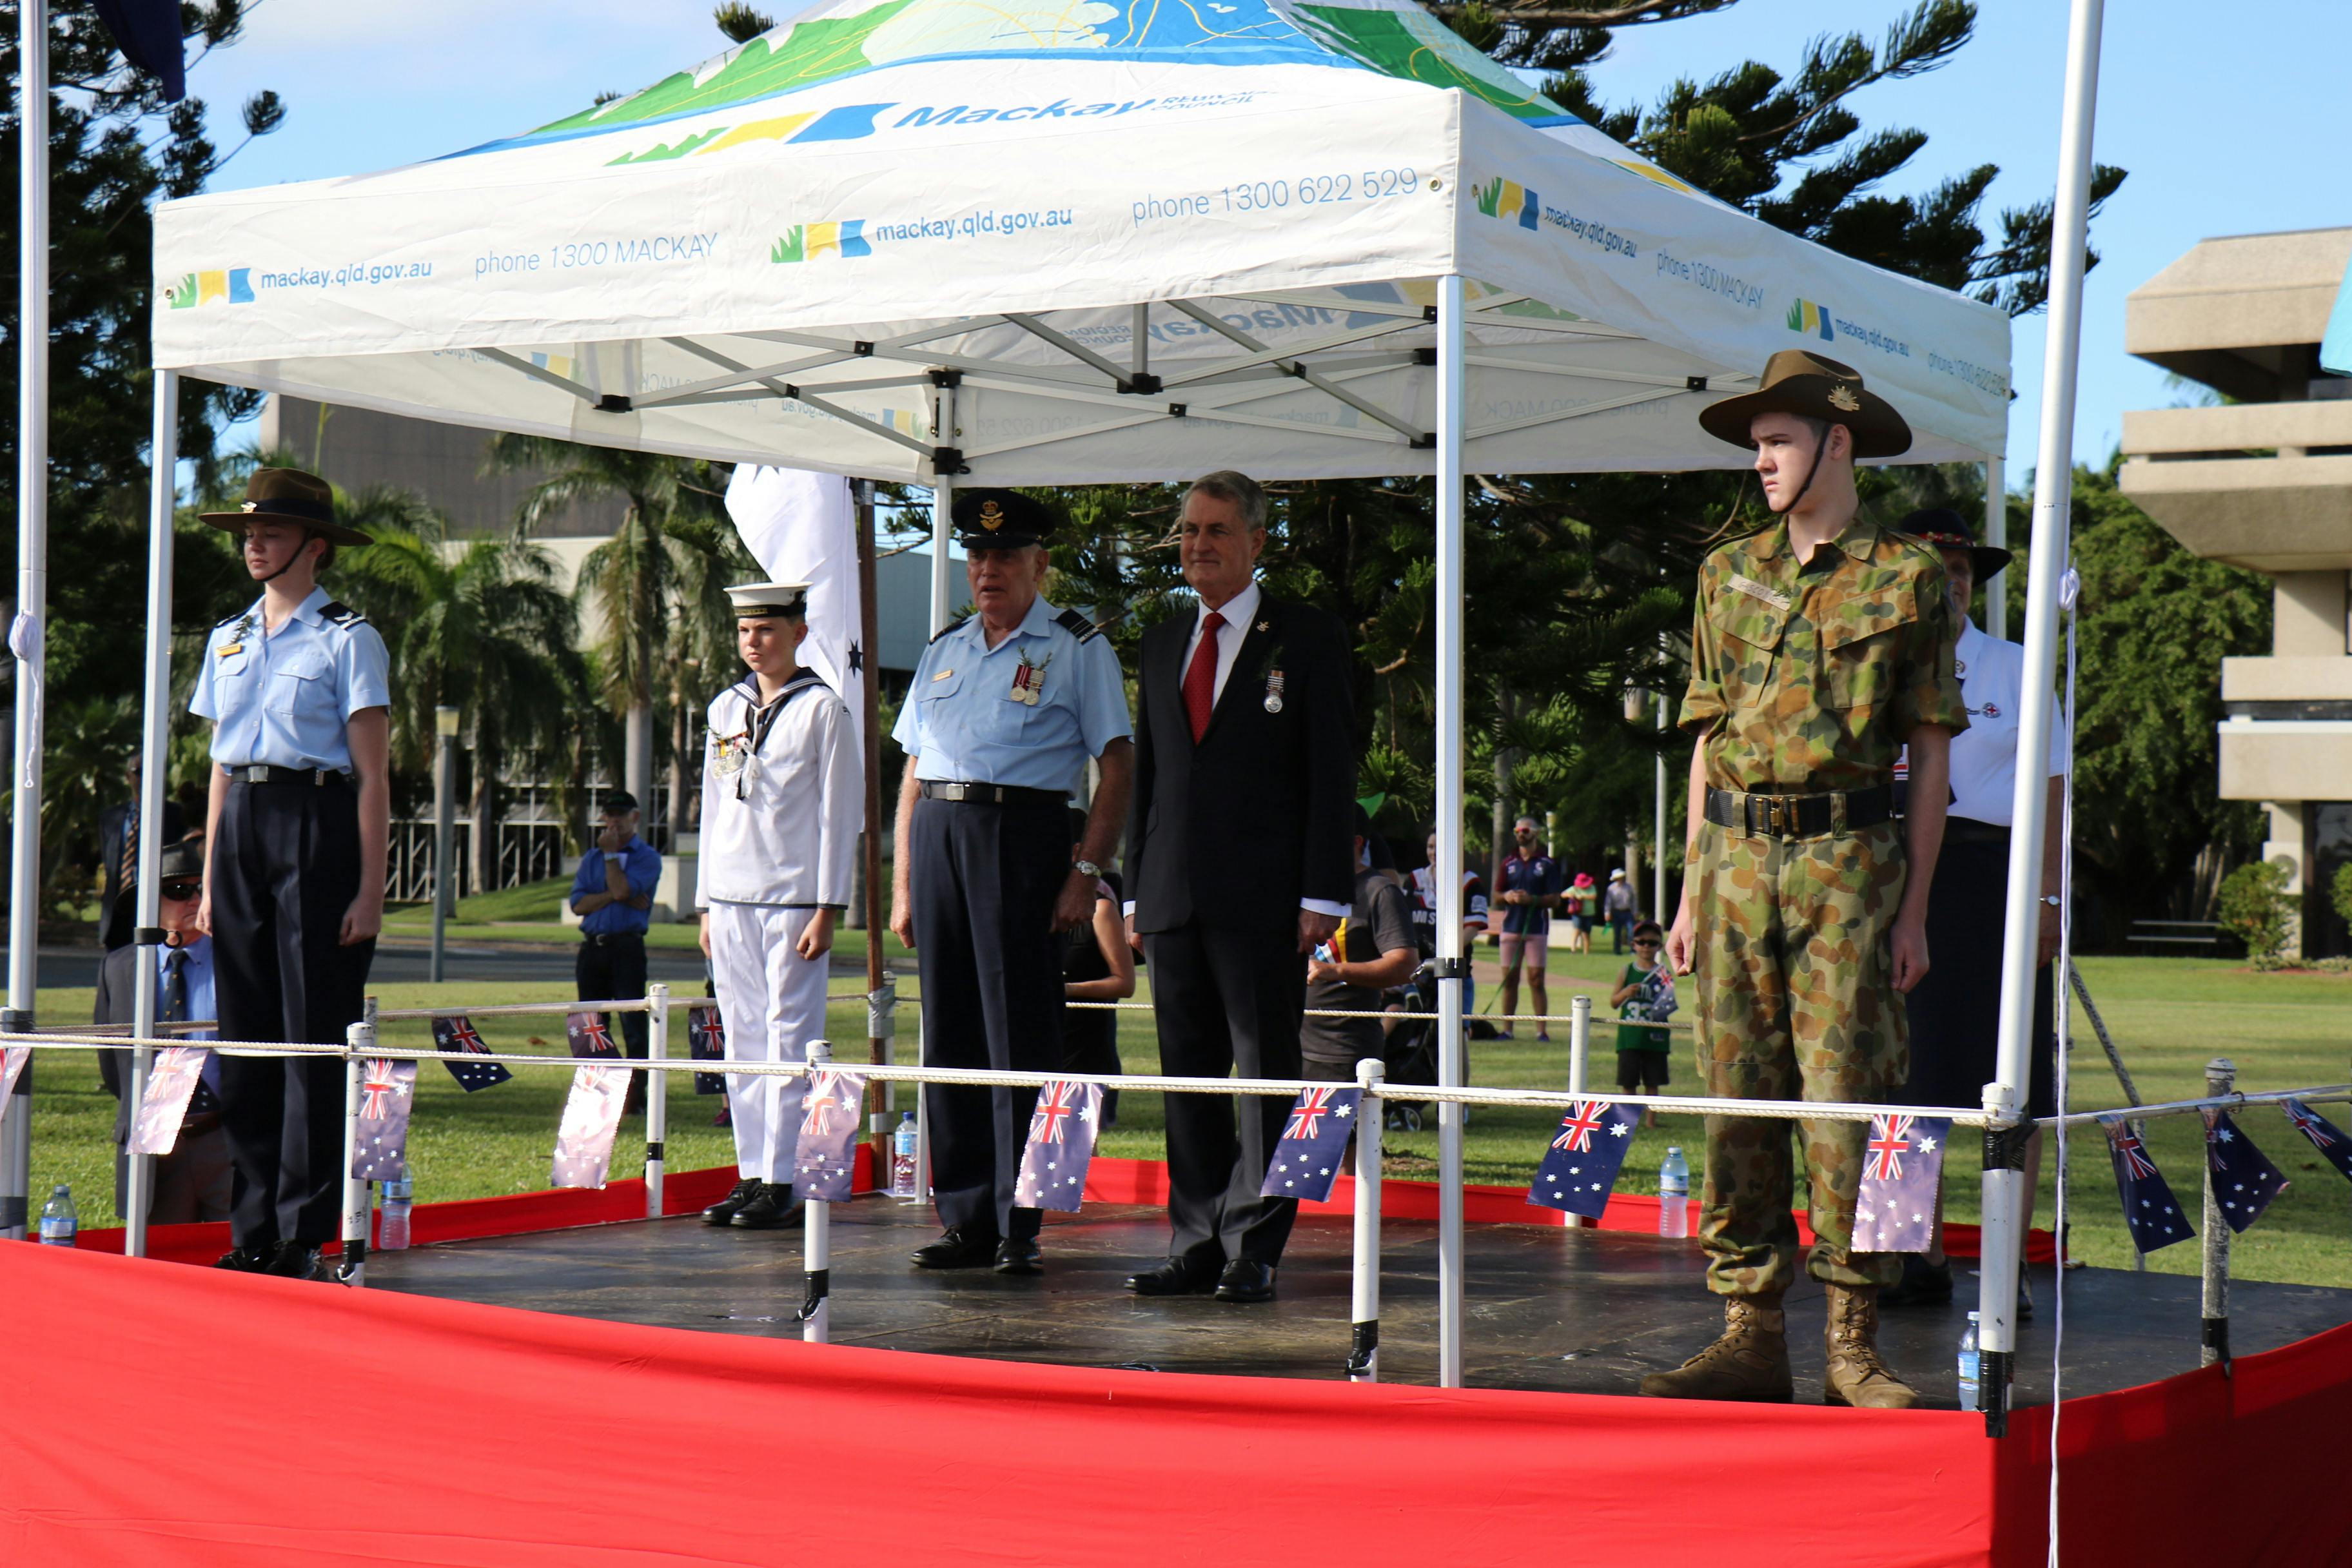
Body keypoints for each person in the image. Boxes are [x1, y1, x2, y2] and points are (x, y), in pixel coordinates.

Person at [1644, 351, 1966, 1410]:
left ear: (1838, 440)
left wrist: (1913, 906)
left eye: (1777, 442)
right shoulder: (1722, 574)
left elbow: (1927, 755)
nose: (1761, 463)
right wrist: (1688, 892)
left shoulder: (1908, 577)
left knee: (1846, 1102)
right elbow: (1703, 742)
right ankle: (1746, 1331)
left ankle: (1851, 1341)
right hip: (1733, 860)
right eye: (1755, 446)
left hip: (1848, 865)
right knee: (1734, 1100)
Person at [1122, 470, 1356, 1306]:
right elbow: (1151, 778)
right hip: (1173, 896)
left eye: (1216, 530)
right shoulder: (1161, 642)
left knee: (1264, 1077)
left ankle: (1255, 1244)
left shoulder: (1307, 638)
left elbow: (1332, 773)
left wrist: (1324, 894)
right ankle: (1194, 1239)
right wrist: (1135, 891)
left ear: (1257, 541)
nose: (1198, 545)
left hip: (1266, 898)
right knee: (1187, 1078)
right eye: (1188, 531)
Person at [890, 489, 1132, 1277]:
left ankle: (1019, 1219)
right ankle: (964, 1214)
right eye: (978, 556)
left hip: (1023, 838)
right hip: (940, 838)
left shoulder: (1074, 645)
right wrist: (901, 883)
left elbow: (1118, 765)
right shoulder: (944, 647)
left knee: (1018, 1031)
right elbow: (914, 773)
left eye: (1005, 556)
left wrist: (1085, 870)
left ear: (1039, 564)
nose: (988, 570)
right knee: (950, 1029)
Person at [190, 467, 389, 1280]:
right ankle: (254, 1225)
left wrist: (372, 887)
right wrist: (206, 879)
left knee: (310, 1035)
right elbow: (220, 770)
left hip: (318, 823)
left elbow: (375, 775)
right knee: (246, 1038)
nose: (252, 542)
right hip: (241, 828)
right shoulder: (228, 637)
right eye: (247, 531)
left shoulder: (349, 637)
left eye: (269, 532)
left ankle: (305, 1227)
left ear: (314, 547)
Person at [1879, 508, 2069, 1315]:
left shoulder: (2019, 668)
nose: (1952, 581)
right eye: (1936, 566)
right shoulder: (1875, 665)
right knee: (1901, 1069)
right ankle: (1901, 1249)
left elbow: (2054, 791)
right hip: (1887, 876)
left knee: (2008, 1075)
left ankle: (2005, 1262)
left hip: (1996, 879)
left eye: (1962, 570)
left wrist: (2051, 899)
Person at [694, 582, 861, 1232]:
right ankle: (751, 1173)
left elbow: (838, 813)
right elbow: (713, 809)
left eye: (766, 629)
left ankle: (784, 1176)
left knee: (790, 1036)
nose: (754, 642)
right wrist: (705, 902)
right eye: (744, 631)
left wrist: (829, 905)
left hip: (793, 898)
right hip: (732, 896)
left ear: (797, 630)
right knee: (742, 1039)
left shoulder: (823, 709)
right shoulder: (724, 708)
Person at [94, 835, 231, 1223]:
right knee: (161, 1261)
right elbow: (111, 1063)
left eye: (200, 889)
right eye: (177, 891)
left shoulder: (238, 961)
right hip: (153, 1144)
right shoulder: (119, 967)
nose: (193, 900)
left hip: (226, 1139)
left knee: (238, 1263)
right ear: (147, 905)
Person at [1301, 808, 1418, 1083]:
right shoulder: (1305, 887)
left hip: (1342, 1052)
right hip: (1295, 1047)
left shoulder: (1379, 891)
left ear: (1356, 843)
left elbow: (1406, 965)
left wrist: (1336, 971)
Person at [568, 791, 662, 1113]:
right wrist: (615, 895)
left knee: (633, 1027)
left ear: (635, 818)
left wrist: (612, 869)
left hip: (627, 948)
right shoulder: (591, 858)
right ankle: (600, 1094)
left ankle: (635, 1098)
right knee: (592, 1025)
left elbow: (623, 890)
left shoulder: (647, 857)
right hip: (593, 949)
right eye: (610, 815)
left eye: (621, 815)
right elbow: (578, 904)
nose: (614, 822)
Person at [1061, 807, 1134, 1126]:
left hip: (1084, 1047)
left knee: (1075, 1153)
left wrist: (1064, 991)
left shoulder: (1101, 908)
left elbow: (1124, 983)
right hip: (1036, 1042)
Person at [96, 756, 186, 952]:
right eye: (139, 772)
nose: (144, 777)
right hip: (118, 911)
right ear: (128, 776)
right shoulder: (110, 818)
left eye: (149, 771)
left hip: (156, 906)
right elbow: (111, 865)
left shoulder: (176, 815)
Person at [1409, 826, 1487, 1017]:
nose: (1434, 852)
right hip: (1418, 972)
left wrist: (1443, 957)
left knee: (1458, 1033)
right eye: (1430, 847)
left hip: (1453, 972)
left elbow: (1472, 929)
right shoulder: (1415, 879)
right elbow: (1403, 923)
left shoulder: (1470, 882)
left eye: (1439, 847)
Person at [1494, 817, 1561, 1041]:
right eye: (1517, 831)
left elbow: (1555, 899)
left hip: (1536, 928)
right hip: (1511, 926)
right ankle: (1507, 1030)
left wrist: (1532, 900)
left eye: (1525, 830)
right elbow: (1496, 893)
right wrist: (1508, 896)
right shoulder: (1508, 863)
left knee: (1536, 979)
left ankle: (1541, 1030)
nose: (1520, 835)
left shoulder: (1547, 863)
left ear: (1536, 833)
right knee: (1510, 978)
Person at [1609, 919, 1673, 1129]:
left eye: (1652, 943)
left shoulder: (1662, 975)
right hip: (1630, 1036)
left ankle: (1651, 1122)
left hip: (1654, 1037)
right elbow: (1614, 1002)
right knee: (1629, 1082)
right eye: (1641, 942)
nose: (1646, 947)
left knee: (1652, 1083)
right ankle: (1628, 1122)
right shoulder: (1626, 971)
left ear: (1659, 947)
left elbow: (1668, 1005)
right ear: (1634, 944)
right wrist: (1626, 992)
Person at [1567, 871, 1600, 954]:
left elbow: (1594, 897)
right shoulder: (1575, 888)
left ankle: (1586, 952)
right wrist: (1572, 895)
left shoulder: (1592, 887)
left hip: (1589, 913)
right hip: (1577, 913)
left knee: (1586, 933)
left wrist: (1583, 896)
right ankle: (1573, 949)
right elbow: (1563, 894)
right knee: (1577, 930)